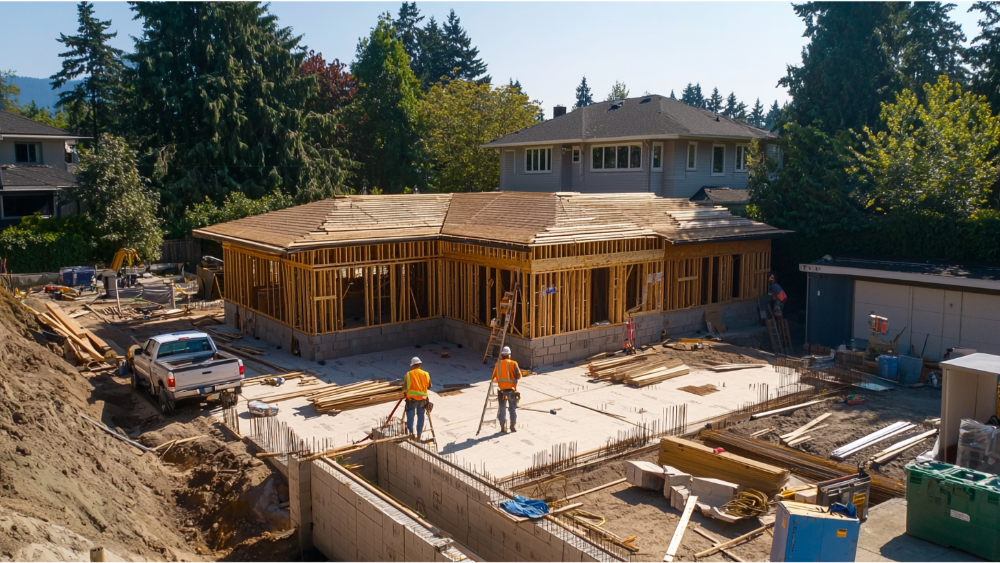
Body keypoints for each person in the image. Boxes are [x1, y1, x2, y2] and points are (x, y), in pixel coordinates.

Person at [491, 346, 522, 433]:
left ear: (502, 355)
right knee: (512, 409)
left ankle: (503, 428)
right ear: (509, 355)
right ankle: (512, 427)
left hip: (501, 391)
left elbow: (493, 378)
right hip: (511, 391)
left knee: (502, 409)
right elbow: (518, 376)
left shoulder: (498, 364)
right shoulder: (513, 363)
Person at [404, 357, 430, 438]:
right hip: (422, 399)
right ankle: (419, 434)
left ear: (412, 365)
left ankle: (411, 434)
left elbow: (405, 388)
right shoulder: (426, 374)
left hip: (411, 399)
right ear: (419, 364)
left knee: (410, 416)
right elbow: (429, 385)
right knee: (421, 416)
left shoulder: (408, 374)